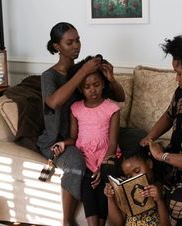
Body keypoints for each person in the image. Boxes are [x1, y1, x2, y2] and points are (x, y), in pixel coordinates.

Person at [37, 22, 125, 226]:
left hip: (93, 130)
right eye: (70, 42)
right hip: (61, 139)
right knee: (78, 161)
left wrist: (110, 79)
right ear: (57, 47)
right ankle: (67, 221)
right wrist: (82, 72)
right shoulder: (49, 76)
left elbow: (119, 97)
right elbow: (54, 102)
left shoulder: (85, 71)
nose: (76, 45)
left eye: (78, 40)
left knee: (134, 137)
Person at [140, 31, 182, 226]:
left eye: (179, 73)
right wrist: (149, 138)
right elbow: (169, 115)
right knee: (136, 161)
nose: (176, 79)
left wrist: (163, 157)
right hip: (175, 159)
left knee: (177, 202)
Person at [104, 146, 171, 226]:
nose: (134, 177)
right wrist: (110, 198)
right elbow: (115, 224)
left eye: (137, 171)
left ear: (149, 164)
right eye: (129, 177)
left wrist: (159, 200)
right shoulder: (127, 191)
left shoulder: (161, 188)